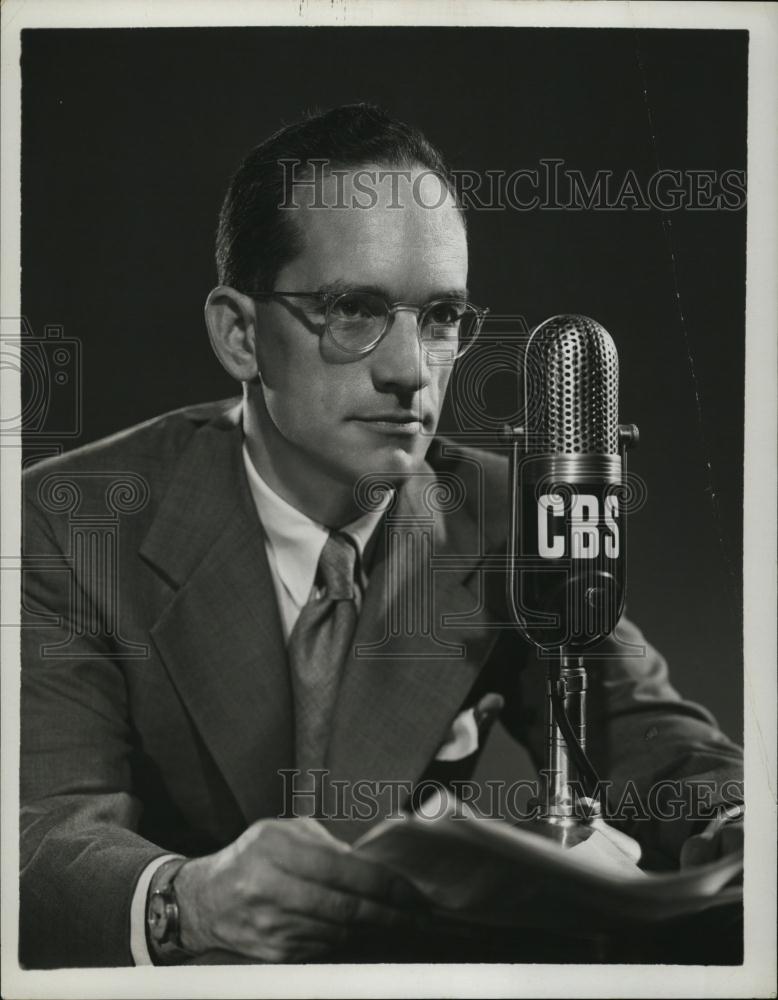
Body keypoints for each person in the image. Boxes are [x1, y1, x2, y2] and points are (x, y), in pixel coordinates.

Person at [19, 103, 743, 969]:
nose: (410, 372)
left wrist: (734, 819)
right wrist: (191, 899)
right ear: (239, 332)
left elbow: (657, 744)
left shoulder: (504, 512)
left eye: (439, 318)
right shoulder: (69, 520)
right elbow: (43, 838)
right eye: (353, 310)